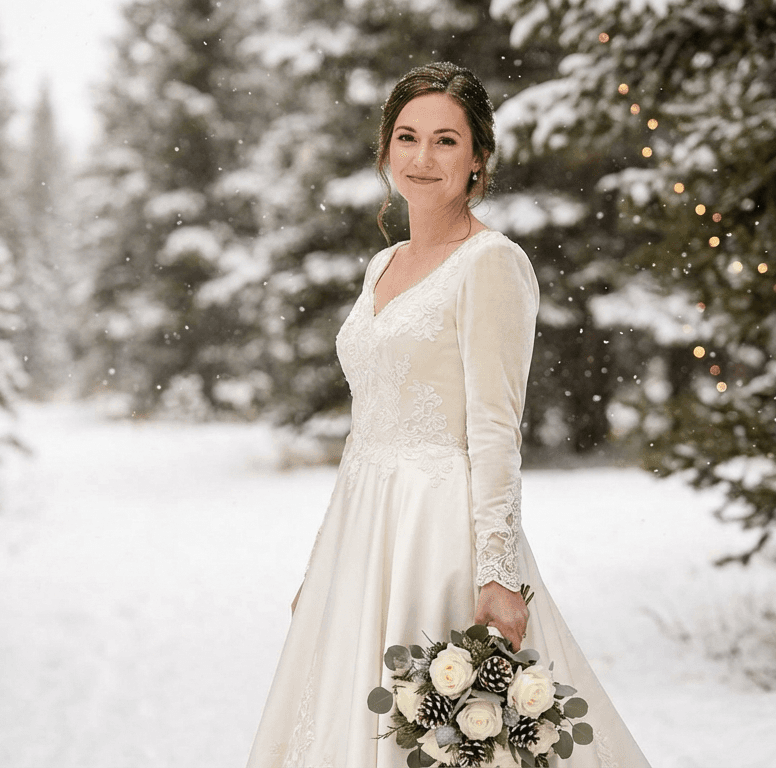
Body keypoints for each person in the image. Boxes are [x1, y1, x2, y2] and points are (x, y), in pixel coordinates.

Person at [247, 62, 652, 768]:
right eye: (407, 138)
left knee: (440, 732)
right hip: (363, 526)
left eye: (445, 141)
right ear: (384, 152)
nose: (422, 158)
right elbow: (366, 423)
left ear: (478, 161)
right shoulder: (384, 265)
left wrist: (496, 571)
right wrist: (323, 562)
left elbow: (497, 426)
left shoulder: (491, 264)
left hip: (439, 528)